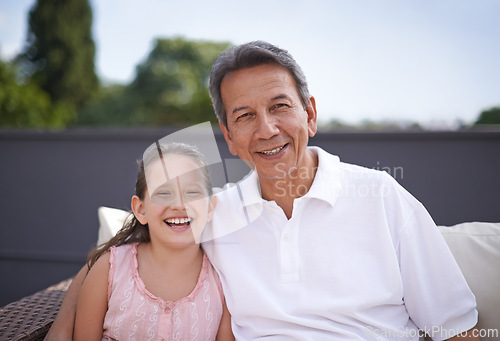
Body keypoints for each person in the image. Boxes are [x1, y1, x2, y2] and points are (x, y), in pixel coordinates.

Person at [46, 41, 479, 340]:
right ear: (229, 137)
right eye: (245, 115)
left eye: (279, 106)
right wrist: (63, 329)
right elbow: (121, 251)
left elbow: (456, 328)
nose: (267, 129)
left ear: (309, 114)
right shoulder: (214, 213)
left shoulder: (380, 195)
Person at [73, 142, 233, 341]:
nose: (178, 205)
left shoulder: (222, 282)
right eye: (163, 193)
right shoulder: (109, 270)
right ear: (140, 209)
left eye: (192, 192)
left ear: (210, 207)